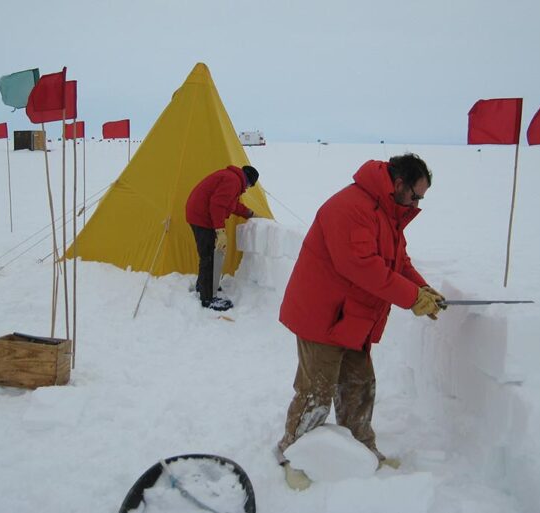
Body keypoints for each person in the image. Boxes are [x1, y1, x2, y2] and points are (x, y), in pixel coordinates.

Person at [275, 153, 445, 486]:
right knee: (316, 393)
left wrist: (423, 288)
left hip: (352, 317)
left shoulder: (388, 212)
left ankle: (363, 453)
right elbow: (361, 265)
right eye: (415, 195)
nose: (417, 203)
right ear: (398, 184)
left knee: (359, 387)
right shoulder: (352, 207)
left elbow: (398, 262)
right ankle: (292, 455)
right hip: (322, 315)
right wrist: (411, 298)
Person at [185, 164, 259, 311]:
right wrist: (220, 230)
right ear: (249, 181)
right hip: (202, 218)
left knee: (208, 254)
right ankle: (208, 298)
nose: (247, 189)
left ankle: (203, 285)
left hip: (198, 215)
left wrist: (250, 214)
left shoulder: (231, 178)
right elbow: (217, 205)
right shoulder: (233, 181)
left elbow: (231, 204)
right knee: (209, 257)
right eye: (250, 186)